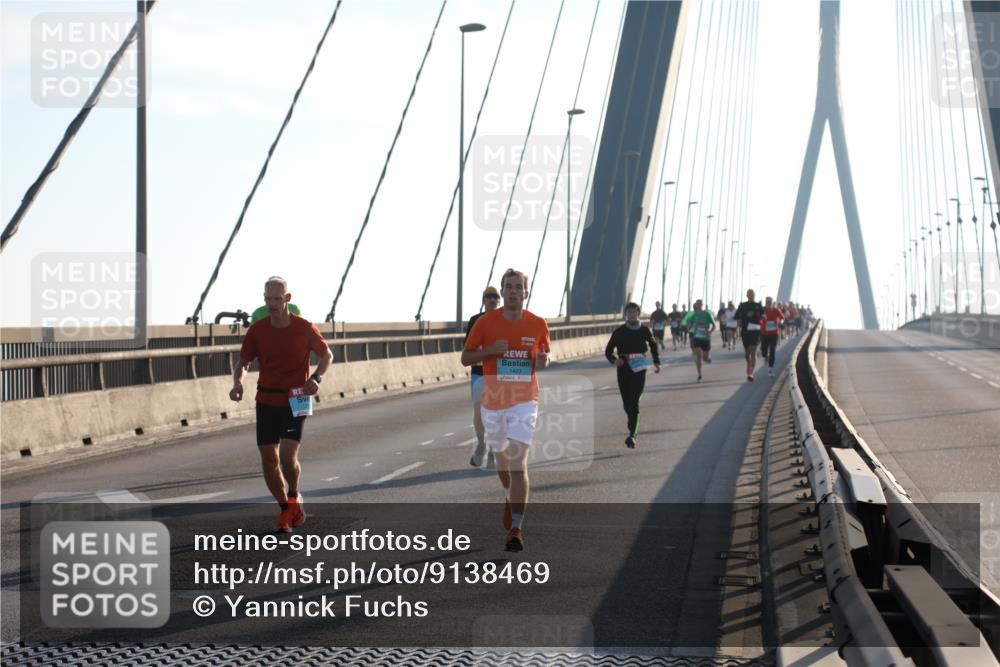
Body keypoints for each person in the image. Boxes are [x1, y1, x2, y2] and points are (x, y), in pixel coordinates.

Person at [231, 277, 332, 533]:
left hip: (297, 396)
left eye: (277, 299)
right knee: (268, 459)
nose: (272, 304)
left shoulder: (304, 328)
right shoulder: (258, 330)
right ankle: (286, 508)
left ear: (288, 299)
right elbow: (243, 362)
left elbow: (326, 355)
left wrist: (316, 378)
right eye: (268, 299)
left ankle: (294, 496)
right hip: (266, 397)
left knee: (287, 457)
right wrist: (238, 383)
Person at [462, 268, 550, 552]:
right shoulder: (485, 323)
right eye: (508, 287)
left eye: (518, 287)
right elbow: (466, 357)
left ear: (526, 292)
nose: (513, 291)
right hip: (494, 401)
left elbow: (544, 358)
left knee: (517, 461)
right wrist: (489, 351)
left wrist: (543, 359)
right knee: (501, 461)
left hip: (526, 400)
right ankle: (509, 496)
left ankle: (516, 528)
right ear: (502, 292)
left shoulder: (538, 324)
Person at [605, 302, 661, 448]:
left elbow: (653, 345)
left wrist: (656, 361)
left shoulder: (644, 330)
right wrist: (614, 360)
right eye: (629, 312)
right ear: (626, 314)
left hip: (639, 367)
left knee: (634, 400)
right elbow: (608, 351)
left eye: (634, 312)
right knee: (626, 403)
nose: (632, 314)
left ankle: (632, 435)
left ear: (638, 313)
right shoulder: (619, 331)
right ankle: (632, 424)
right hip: (623, 367)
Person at [464, 286, 501, 469]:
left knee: (497, 415)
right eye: (488, 297)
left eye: (495, 296)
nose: (492, 299)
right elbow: (468, 349)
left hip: (500, 374)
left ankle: (494, 451)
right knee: (479, 412)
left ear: (499, 300)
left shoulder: (506, 321)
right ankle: (481, 444)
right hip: (479, 372)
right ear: (483, 300)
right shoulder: (475, 321)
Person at [734, 289, 765, 382]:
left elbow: (763, 317)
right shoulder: (742, 305)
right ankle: (749, 364)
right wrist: (743, 317)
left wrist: (760, 317)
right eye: (749, 294)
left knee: (753, 351)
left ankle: (751, 373)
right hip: (745, 331)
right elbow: (736, 317)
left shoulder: (758, 305)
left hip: (755, 331)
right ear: (747, 295)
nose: (751, 295)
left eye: (752, 294)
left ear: (754, 295)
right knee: (747, 354)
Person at [682, 299, 715, 382]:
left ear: (702, 305)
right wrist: (688, 327)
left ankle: (708, 358)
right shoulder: (694, 315)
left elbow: (714, 325)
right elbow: (688, 323)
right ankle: (700, 375)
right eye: (697, 304)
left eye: (700, 304)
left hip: (705, 338)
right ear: (696, 305)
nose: (699, 305)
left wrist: (710, 332)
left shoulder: (707, 314)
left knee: (705, 358)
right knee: (698, 357)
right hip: (696, 337)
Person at [760, 296, 785, 377]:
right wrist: (761, 319)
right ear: (765, 302)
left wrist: (780, 322)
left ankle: (770, 369)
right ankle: (765, 356)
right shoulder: (762, 310)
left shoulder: (776, 310)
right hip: (764, 334)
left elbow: (782, 318)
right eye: (767, 302)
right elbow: (757, 319)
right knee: (763, 352)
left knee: (772, 351)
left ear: (772, 303)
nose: (768, 303)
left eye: (770, 302)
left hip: (774, 334)